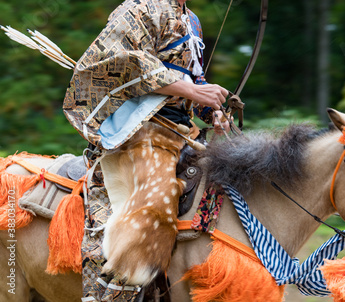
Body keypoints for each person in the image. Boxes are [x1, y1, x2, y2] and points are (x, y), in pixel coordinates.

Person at [62, 0, 229, 299]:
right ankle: (109, 293)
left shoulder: (191, 19)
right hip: (140, 127)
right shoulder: (138, 8)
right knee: (153, 209)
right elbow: (117, 59)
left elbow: (194, 79)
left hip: (182, 130)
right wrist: (191, 89)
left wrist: (212, 109)